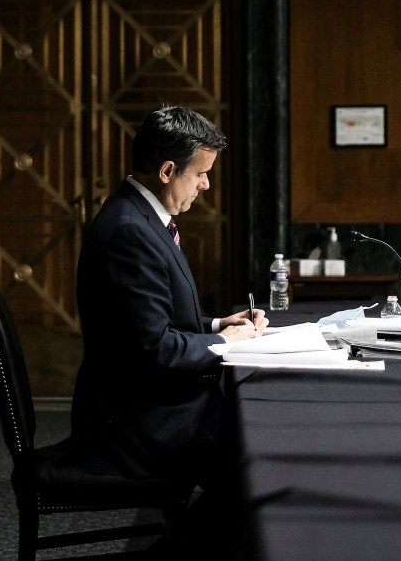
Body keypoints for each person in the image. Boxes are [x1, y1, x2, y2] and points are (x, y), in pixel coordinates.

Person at [69, 105, 267, 546]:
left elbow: (143, 322)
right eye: (200, 174)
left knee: (260, 459)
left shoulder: (138, 217)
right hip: (136, 423)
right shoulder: (129, 231)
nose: (206, 184)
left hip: (152, 405)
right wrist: (222, 341)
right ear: (167, 170)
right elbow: (154, 349)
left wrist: (218, 322)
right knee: (264, 470)